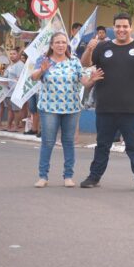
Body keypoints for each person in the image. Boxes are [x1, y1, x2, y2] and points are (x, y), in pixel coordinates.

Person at [79, 13, 134, 192]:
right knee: (102, 145)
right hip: (106, 106)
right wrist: (89, 49)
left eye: (125, 26)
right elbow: (85, 63)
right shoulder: (102, 47)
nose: (121, 30)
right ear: (113, 28)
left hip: (133, 108)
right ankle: (94, 177)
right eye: (118, 26)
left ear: (130, 28)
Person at [30, 33, 104, 188]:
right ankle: (43, 176)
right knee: (47, 142)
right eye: (57, 42)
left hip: (71, 108)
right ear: (51, 45)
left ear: (67, 45)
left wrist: (92, 79)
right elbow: (34, 77)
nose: (60, 45)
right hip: (49, 108)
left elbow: (85, 83)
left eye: (63, 42)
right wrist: (42, 70)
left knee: (68, 142)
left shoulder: (74, 62)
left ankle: (68, 176)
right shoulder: (44, 60)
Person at [3, 48, 25, 132]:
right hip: (8, 91)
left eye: (14, 54)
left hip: (15, 91)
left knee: (16, 110)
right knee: (10, 109)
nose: (12, 55)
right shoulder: (10, 65)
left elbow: (19, 78)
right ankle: (8, 126)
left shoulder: (20, 65)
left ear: (18, 55)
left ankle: (16, 126)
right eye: (10, 54)